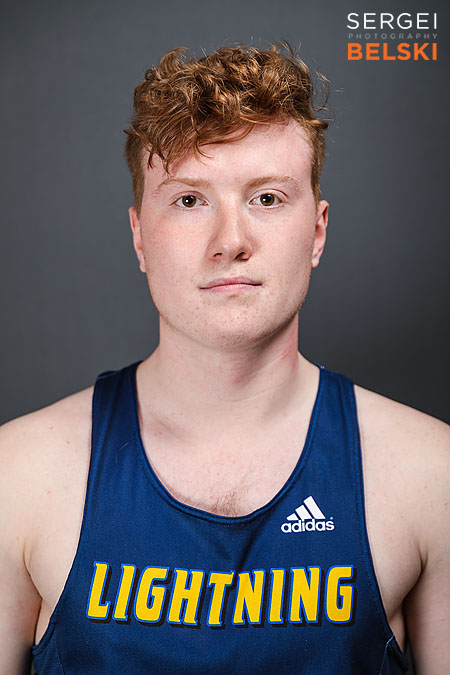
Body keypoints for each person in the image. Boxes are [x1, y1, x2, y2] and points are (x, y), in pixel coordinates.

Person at [0, 43, 448, 675]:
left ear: (317, 232)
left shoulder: (431, 476)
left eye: (267, 198)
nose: (230, 241)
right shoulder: (17, 476)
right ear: (139, 237)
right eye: (189, 200)